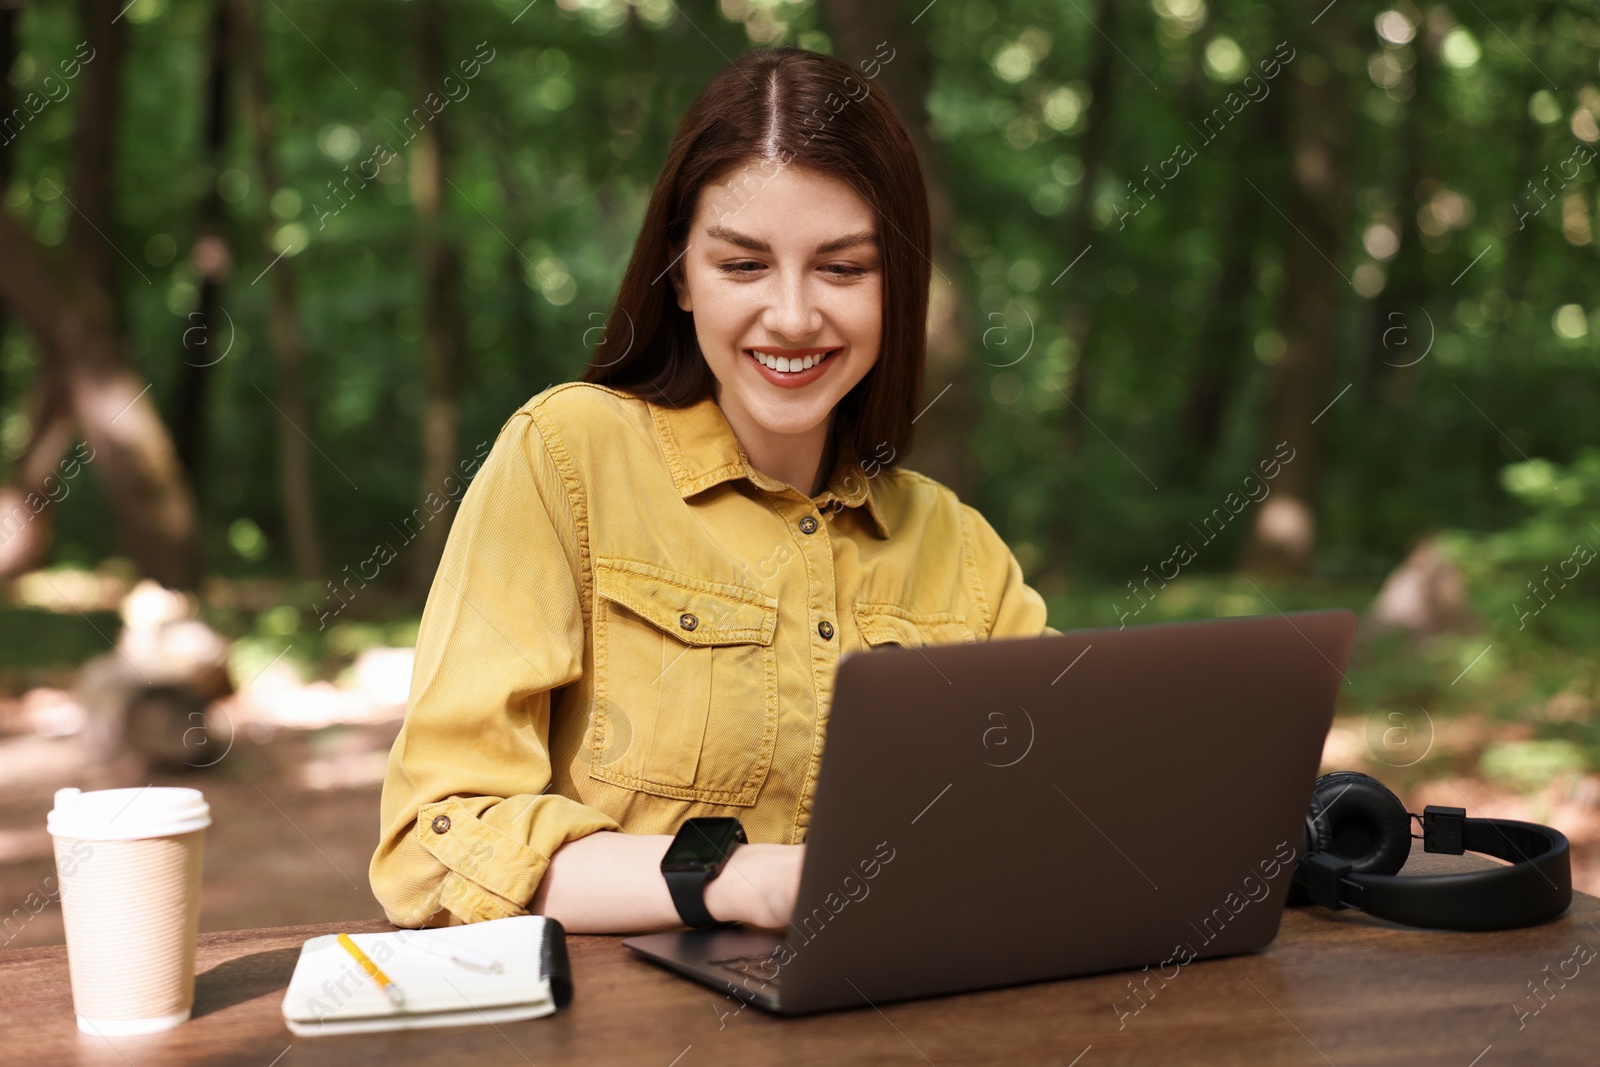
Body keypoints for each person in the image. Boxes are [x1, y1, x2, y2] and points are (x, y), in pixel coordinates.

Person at [370, 45, 1055, 936]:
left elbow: (1069, 797)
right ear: (680, 275)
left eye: (843, 268)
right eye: (742, 265)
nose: (795, 314)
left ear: (899, 285)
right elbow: (436, 839)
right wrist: (736, 879)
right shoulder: (568, 456)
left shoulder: (957, 547)